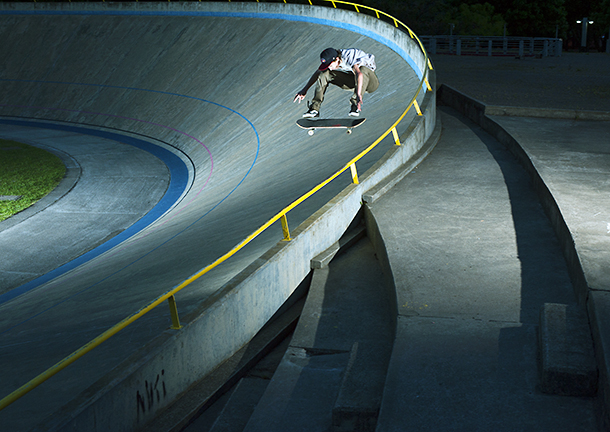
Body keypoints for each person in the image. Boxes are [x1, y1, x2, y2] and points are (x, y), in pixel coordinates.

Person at [293, 47, 379, 118]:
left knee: (362, 69)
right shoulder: (333, 58)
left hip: (370, 84)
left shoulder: (349, 57)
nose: (330, 68)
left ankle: (355, 105)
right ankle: (314, 108)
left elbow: (359, 74)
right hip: (354, 82)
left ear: (337, 59)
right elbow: (317, 73)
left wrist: (358, 94)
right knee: (324, 73)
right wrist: (304, 90)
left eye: (330, 65)